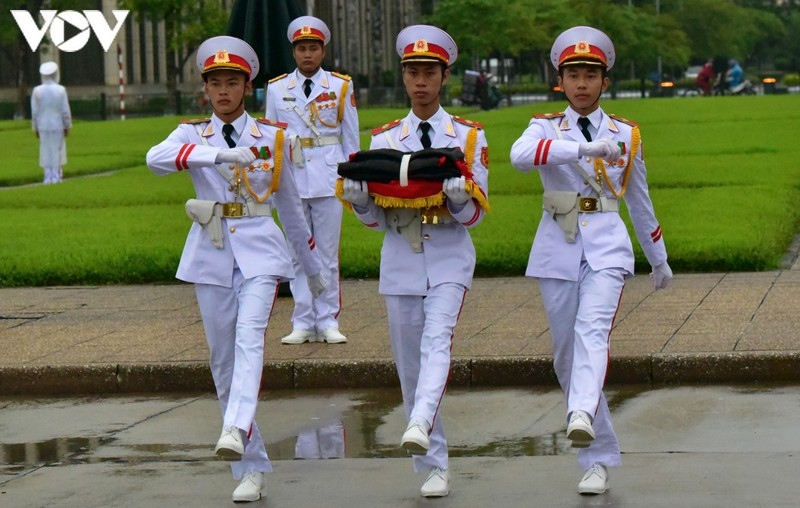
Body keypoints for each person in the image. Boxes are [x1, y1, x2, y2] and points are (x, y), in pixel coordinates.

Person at [146, 35, 326, 503]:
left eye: (232, 82)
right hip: (211, 251)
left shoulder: (274, 137)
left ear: (248, 87)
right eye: (214, 83)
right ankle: (250, 467)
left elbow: (291, 210)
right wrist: (218, 155)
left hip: (261, 251)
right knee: (223, 361)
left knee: (249, 337)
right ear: (205, 89)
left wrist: (312, 269)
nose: (223, 91)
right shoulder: (192, 135)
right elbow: (155, 160)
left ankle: (236, 425)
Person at [509, 26, 672, 496]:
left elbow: (640, 202)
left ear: (605, 82)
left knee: (592, 332)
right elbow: (520, 157)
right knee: (566, 354)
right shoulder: (544, 126)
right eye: (573, 74)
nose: (582, 83)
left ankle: (580, 416)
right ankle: (597, 451)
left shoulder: (625, 133)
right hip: (557, 243)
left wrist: (657, 259)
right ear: (559, 81)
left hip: (606, 243)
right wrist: (582, 149)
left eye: (591, 75)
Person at [339, 24, 489, 498]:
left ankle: (421, 420)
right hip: (401, 257)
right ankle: (432, 464)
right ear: (403, 78)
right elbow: (372, 221)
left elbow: (473, 216)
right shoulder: (384, 139)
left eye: (429, 72)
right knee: (409, 366)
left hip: (447, 256)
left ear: (444, 77)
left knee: (437, 341)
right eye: (412, 72)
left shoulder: (466, 135)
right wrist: (362, 201)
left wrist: (461, 199)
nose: (420, 81)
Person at [266, 15, 360, 345]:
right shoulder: (277, 89)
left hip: (328, 175)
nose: (308, 55)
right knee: (297, 252)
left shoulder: (339, 86)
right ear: (294, 52)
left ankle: (328, 318)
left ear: (322, 51)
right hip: (292, 178)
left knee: (326, 254)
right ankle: (302, 320)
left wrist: (353, 176)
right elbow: (271, 138)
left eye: (313, 49)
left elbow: (350, 137)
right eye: (302, 49)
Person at [31, 61, 71, 184]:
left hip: (43, 125)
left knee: (45, 150)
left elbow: (35, 112)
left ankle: (47, 177)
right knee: (57, 150)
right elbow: (65, 110)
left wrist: (35, 127)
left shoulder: (37, 90)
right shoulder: (61, 90)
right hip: (57, 125)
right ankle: (56, 176)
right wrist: (67, 125)